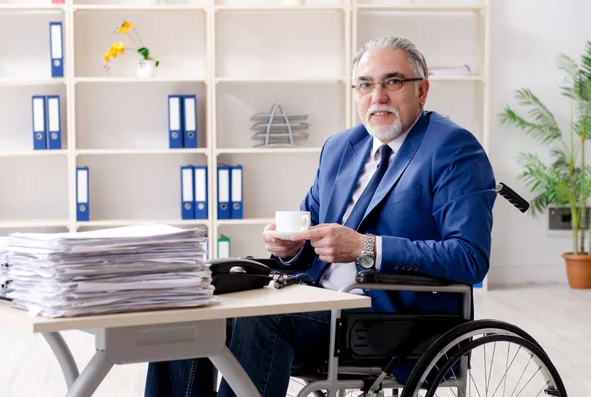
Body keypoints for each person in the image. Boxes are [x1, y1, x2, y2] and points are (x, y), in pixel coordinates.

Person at [144, 35, 496, 397]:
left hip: (384, 320)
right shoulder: (341, 147)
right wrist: (288, 247)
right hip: (311, 297)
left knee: (259, 320)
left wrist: (366, 247)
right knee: (194, 304)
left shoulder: (453, 148)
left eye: (392, 82)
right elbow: (310, 230)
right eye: (365, 84)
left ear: (421, 90)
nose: (378, 96)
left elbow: (470, 258)